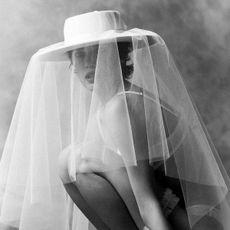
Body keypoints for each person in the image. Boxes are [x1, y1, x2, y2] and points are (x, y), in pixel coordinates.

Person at [0, 10, 230, 230]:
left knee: (80, 160)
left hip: (198, 219)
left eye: (98, 53)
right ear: (72, 67)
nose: (90, 64)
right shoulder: (106, 107)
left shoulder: (122, 105)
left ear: (122, 57)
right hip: (170, 208)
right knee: (71, 162)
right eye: (80, 54)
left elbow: (146, 199)